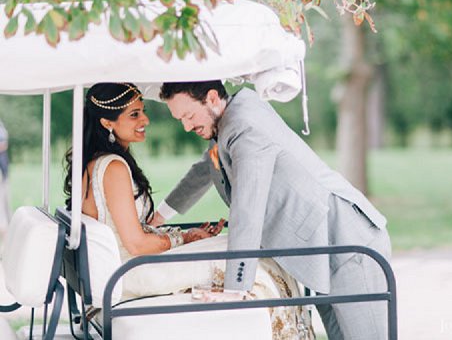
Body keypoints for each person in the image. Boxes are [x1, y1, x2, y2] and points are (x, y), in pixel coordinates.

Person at [64, 83, 314, 338]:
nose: (145, 120)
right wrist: (183, 237)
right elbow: (137, 244)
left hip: (128, 264)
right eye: (134, 114)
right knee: (260, 267)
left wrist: (181, 233)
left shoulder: (94, 162)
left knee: (239, 248)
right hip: (129, 272)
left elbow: (130, 229)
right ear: (108, 123)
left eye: (143, 111)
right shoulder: (114, 167)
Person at [152, 81, 392, 340]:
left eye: (189, 116)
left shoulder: (245, 127)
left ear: (211, 98)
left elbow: (247, 208)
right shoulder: (228, 121)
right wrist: (157, 217)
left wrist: (236, 288)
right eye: (180, 120)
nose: (187, 126)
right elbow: (203, 170)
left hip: (348, 245)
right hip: (323, 249)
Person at [0, 119, 10, 230]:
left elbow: (4, 145)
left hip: (2, 168)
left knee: (4, 197)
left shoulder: (1, 129)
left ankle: (5, 224)